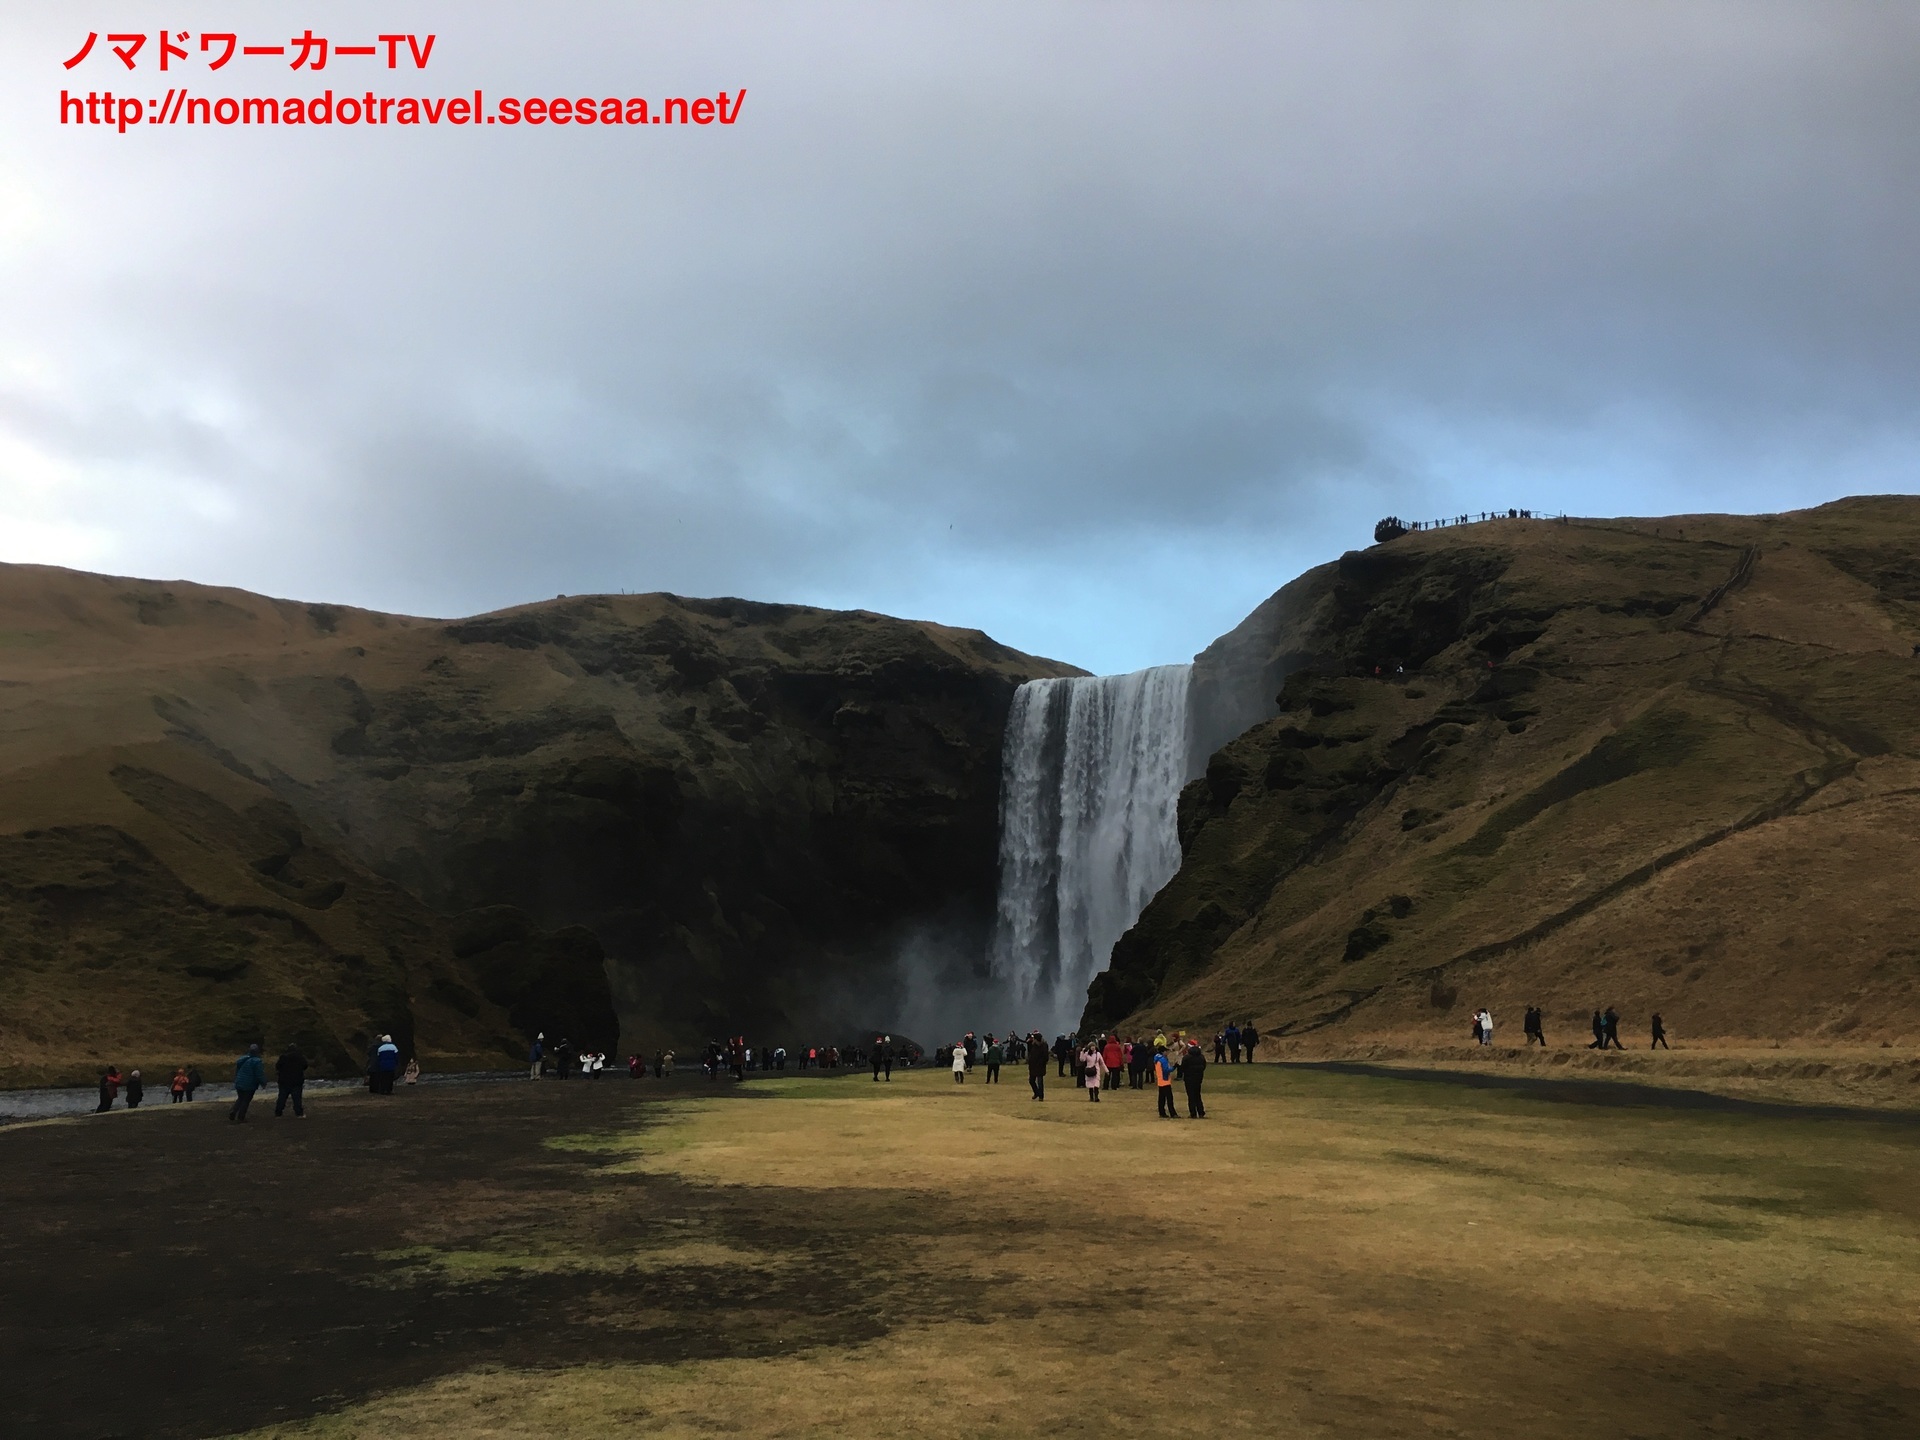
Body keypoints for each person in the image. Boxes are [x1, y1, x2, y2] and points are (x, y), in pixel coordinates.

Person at [231, 1043, 265, 1122]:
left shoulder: (242, 1059)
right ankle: (241, 1117)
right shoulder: (257, 1061)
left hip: (239, 1082)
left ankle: (233, 1111)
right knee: (246, 1100)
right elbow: (259, 1074)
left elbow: (237, 1070)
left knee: (240, 1098)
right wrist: (263, 1082)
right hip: (250, 1084)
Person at [274, 1045, 308, 1117]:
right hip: (296, 1080)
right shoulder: (300, 1057)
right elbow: (305, 1066)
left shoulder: (283, 1057)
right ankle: (299, 1113)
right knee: (297, 1098)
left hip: (284, 1080)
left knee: (282, 1097)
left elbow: (277, 1066)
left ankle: (278, 1112)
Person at [1182, 1039, 1208, 1118]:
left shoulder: (1186, 1057)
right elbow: (1204, 1066)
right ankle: (1201, 1111)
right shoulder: (1201, 1057)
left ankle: (1193, 1112)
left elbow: (1183, 1067)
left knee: (1191, 1096)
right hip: (1198, 1078)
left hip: (1189, 1079)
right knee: (1197, 1095)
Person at [1153, 1044, 1178, 1119]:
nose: (1167, 1053)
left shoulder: (1157, 1059)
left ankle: (1162, 1112)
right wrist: (1174, 1067)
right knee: (1169, 1098)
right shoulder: (1163, 1060)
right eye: (1165, 1051)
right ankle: (1173, 1113)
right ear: (1163, 1052)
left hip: (1160, 1081)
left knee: (1161, 1098)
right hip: (1165, 1081)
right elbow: (1166, 1070)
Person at [1027, 1030, 1047, 1101]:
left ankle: (1041, 1096)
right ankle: (1037, 1092)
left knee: (1040, 1082)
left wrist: (1040, 1063)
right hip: (1033, 1066)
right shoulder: (1033, 1045)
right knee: (1031, 1081)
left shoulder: (1043, 1046)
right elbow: (1030, 1054)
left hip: (1040, 1066)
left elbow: (1045, 1057)